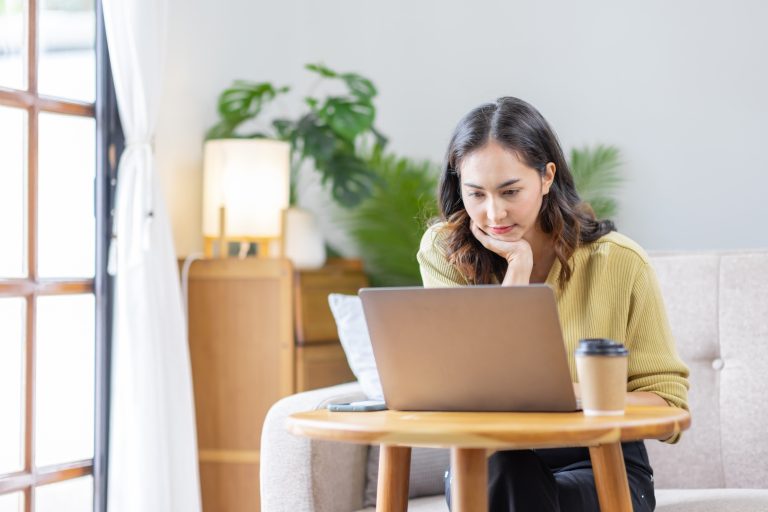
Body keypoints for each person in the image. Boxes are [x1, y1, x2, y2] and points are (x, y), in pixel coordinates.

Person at [417, 97, 689, 512]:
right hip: (491, 460)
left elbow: (668, 402)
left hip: (601, 461)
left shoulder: (618, 261)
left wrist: (570, 395)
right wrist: (517, 274)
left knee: (518, 492)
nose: (493, 213)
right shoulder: (444, 251)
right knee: (507, 474)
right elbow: (471, 382)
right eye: (475, 194)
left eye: (510, 191)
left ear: (546, 177)